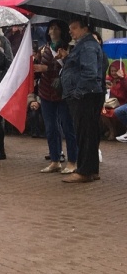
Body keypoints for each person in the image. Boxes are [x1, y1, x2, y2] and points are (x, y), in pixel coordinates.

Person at [59, 17, 106, 183]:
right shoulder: (85, 45)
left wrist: (77, 92)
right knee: (89, 133)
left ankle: (84, 171)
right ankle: (91, 169)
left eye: (74, 28)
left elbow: (90, 72)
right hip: (88, 94)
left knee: (84, 133)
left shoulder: (86, 46)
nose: (70, 31)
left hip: (85, 96)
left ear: (85, 29)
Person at [33, 20, 77, 173]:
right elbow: (37, 70)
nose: (53, 31)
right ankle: (55, 159)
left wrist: (50, 65)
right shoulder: (42, 49)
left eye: (57, 28)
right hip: (46, 91)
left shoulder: (69, 49)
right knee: (51, 127)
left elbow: (71, 68)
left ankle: (72, 161)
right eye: (51, 28)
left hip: (63, 92)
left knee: (68, 126)